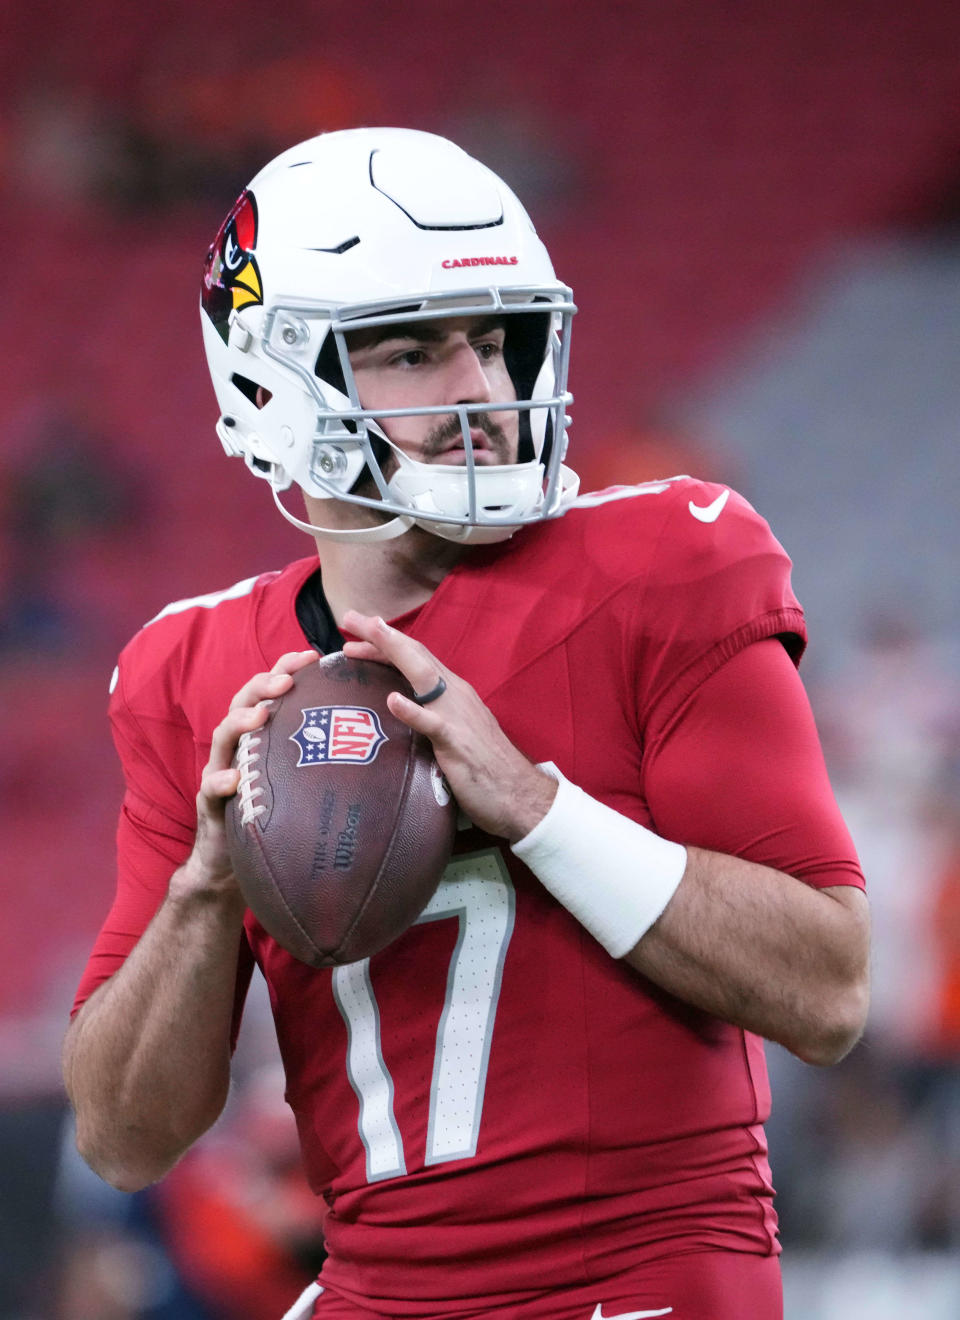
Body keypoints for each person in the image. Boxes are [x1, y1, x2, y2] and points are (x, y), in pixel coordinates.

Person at [63, 128, 870, 1320]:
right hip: (370, 1289)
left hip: (637, 1283)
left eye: (495, 340)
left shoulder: (667, 564)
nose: (483, 391)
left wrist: (541, 811)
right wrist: (202, 889)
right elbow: (125, 1136)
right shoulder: (191, 671)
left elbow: (830, 992)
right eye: (410, 352)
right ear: (268, 381)